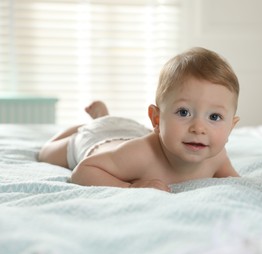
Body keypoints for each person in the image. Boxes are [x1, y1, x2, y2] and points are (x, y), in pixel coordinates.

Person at [38, 47, 240, 192]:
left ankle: (103, 116)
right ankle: (92, 123)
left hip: (131, 131)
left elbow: (237, 184)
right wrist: (130, 187)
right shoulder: (141, 155)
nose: (198, 128)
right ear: (156, 119)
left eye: (214, 116)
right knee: (46, 153)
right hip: (96, 139)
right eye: (183, 112)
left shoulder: (217, 156)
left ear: (231, 128)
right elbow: (83, 171)